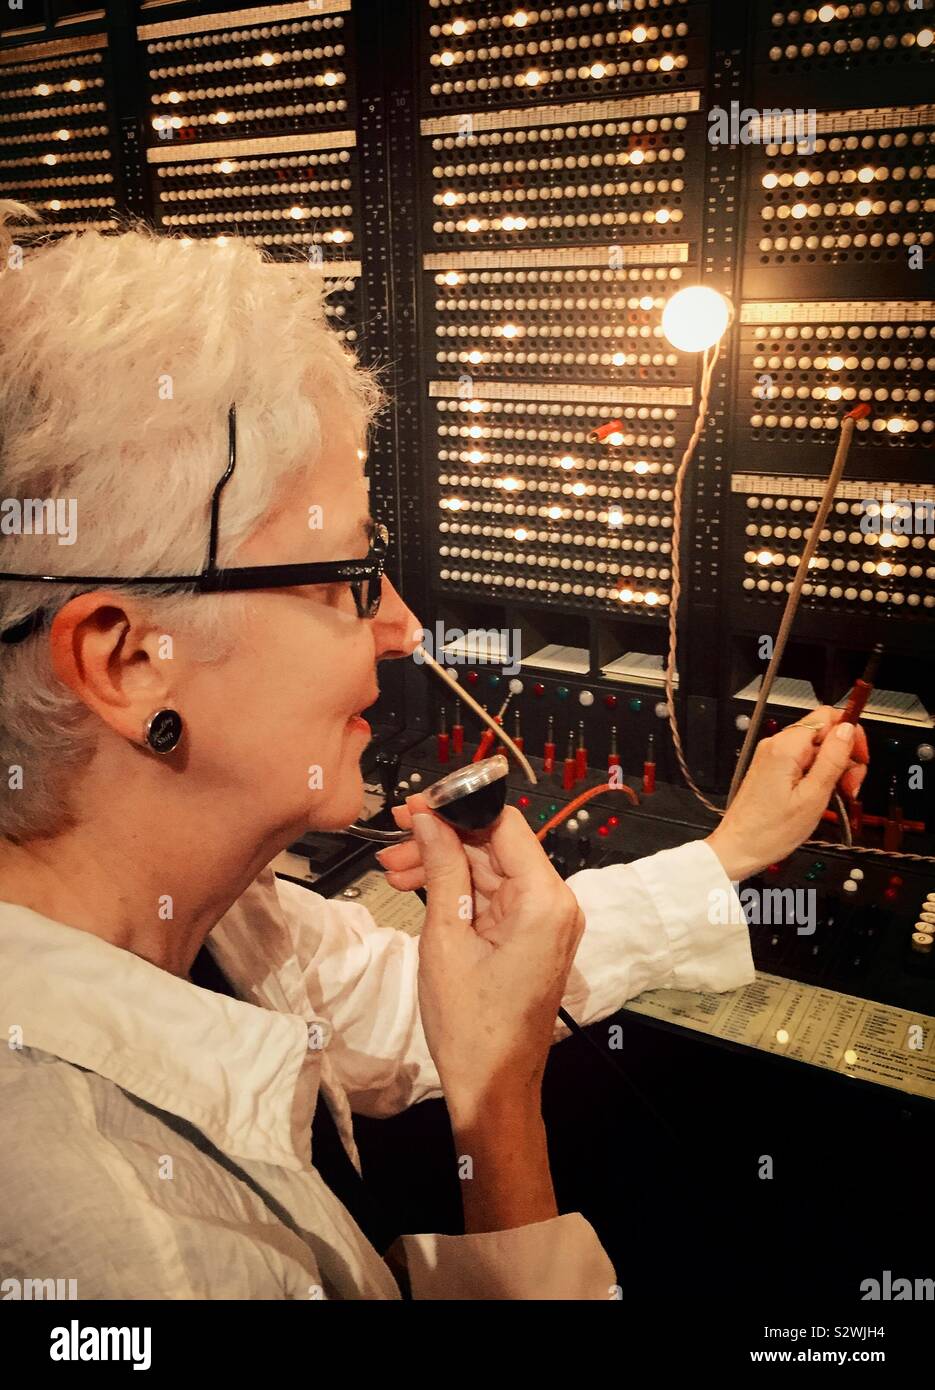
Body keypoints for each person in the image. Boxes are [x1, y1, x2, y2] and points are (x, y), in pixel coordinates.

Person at [0, 200, 868, 1300]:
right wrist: (500, 1115)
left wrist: (730, 851)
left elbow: (423, 995)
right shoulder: (134, 1254)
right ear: (128, 662)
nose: (404, 628)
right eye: (353, 578)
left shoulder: (218, 919)